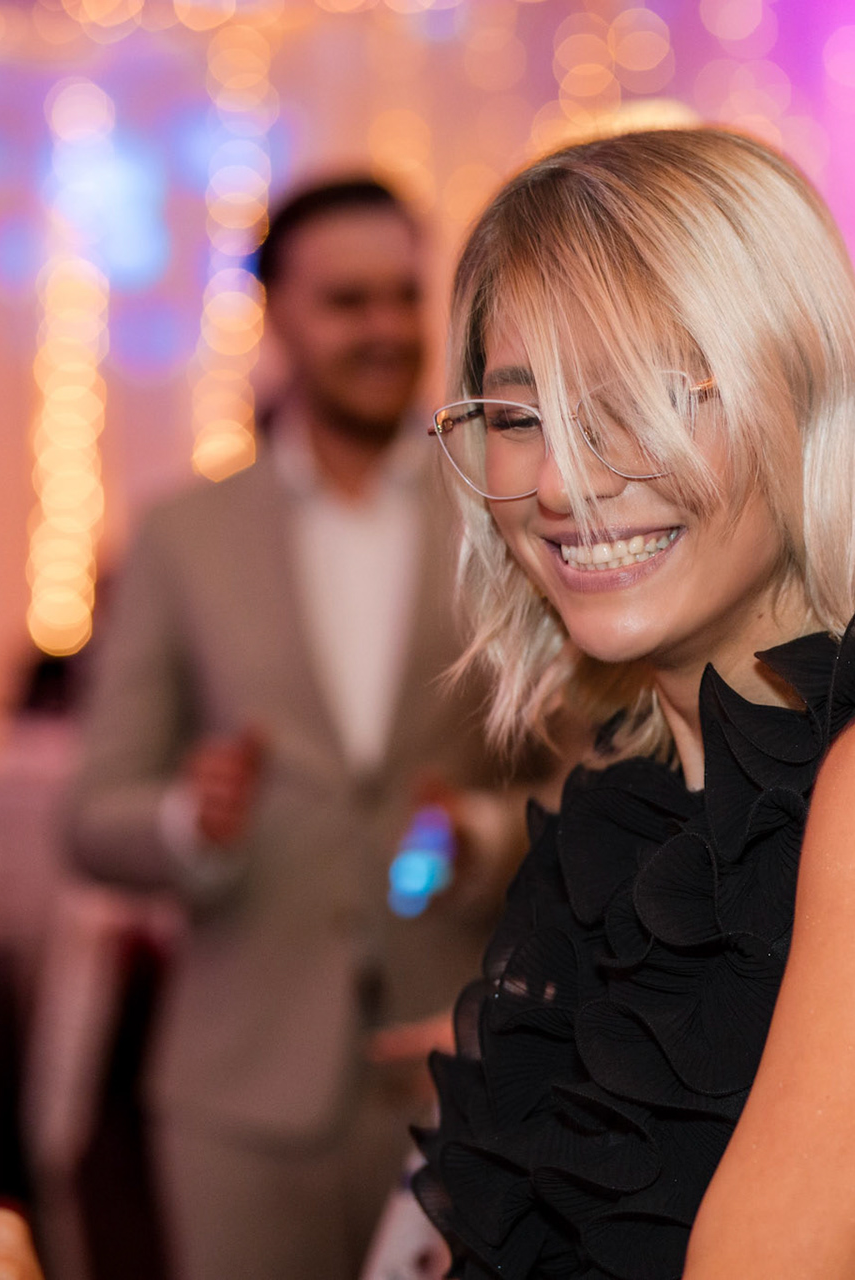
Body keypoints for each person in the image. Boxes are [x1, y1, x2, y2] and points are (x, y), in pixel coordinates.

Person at [412, 129, 855, 1278]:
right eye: (516, 415)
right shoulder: (645, 799)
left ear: (807, 397)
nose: (560, 482)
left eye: (641, 397)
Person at [66, 178, 517, 1280]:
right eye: (348, 301)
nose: (385, 328)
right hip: (239, 1091)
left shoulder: (505, 512)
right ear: (278, 319)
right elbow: (92, 813)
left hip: (466, 1068)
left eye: (404, 297)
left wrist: (482, 832)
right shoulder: (185, 535)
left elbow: (588, 773)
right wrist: (189, 818)